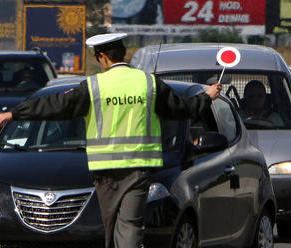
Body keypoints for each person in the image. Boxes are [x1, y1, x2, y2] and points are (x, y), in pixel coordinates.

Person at [0, 33, 221, 248]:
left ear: (102, 57)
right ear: (123, 55)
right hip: (138, 168)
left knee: (110, 224)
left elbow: (56, 105)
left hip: (105, 171)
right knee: (129, 225)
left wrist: (14, 114)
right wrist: (207, 96)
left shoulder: (94, 86)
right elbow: (182, 109)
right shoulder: (149, 83)